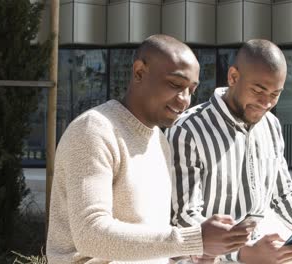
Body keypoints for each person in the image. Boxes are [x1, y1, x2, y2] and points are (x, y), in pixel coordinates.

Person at [46, 34, 253, 264]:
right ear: (139, 73)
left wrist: (199, 253)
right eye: (175, 85)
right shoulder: (94, 131)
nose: (185, 100)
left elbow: (150, 243)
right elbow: (90, 235)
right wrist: (192, 240)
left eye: (191, 90)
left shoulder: (159, 141)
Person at [166, 39, 292, 264]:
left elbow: (283, 195)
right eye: (258, 90)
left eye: (275, 94)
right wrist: (243, 252)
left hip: (263, 249)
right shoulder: (188, 130)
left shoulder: (271, 126)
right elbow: (185, 219)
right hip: (207, 258)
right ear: (233, 77)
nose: (266, 103)